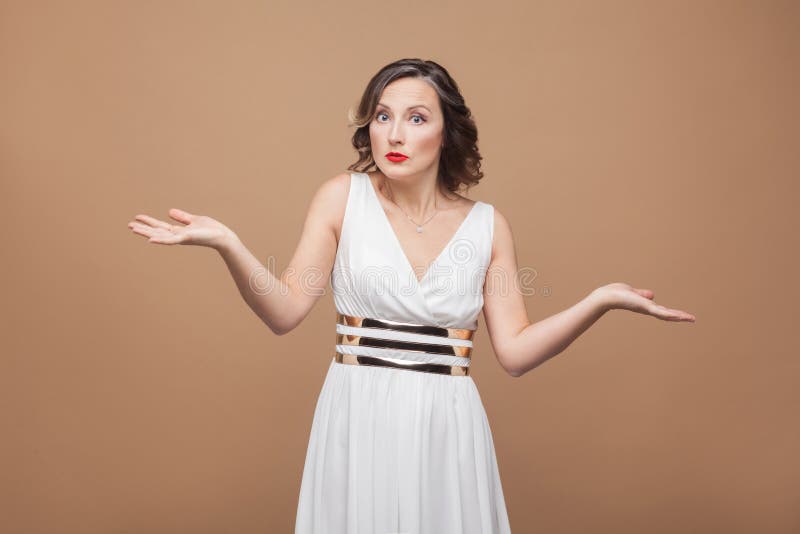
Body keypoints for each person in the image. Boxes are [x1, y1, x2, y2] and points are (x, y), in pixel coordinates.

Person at [127, 58, 695, 533]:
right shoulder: (340, 198)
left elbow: (515, 353)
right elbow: (283, 311)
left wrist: (599, 300)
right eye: (382, 116)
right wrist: (228, 243)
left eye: (416, 118)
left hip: (446, 427)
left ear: (446, 131)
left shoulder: (488, 226)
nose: (394, 134)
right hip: (357, 416)